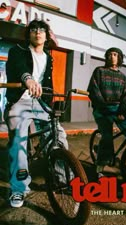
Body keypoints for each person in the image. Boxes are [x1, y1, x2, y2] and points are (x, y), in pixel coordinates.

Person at [4, 19, 68, 208]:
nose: (37, 32)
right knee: (18, 143)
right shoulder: (18, 50)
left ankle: (63, 177)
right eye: (33, 30)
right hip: (20, 101)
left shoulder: (49, 56)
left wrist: (50, 104)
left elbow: (47, 83)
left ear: (46, 35)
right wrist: (28, 80)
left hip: (41, 103)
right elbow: (19, 67)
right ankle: (19, 189)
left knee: (59, 135)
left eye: (41, 30)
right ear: (29, 34)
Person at [87, 47, 126, 182]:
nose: (112, 56)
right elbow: (93, 90)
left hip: (118, 109)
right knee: (107, 136)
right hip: (102, 109)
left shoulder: (122, 76)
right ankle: (99, 168)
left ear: (119, 58)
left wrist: (122, 110)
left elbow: (125, 95)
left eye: (115, 54)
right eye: (109, 54)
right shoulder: (99, 71)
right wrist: (103, 106)